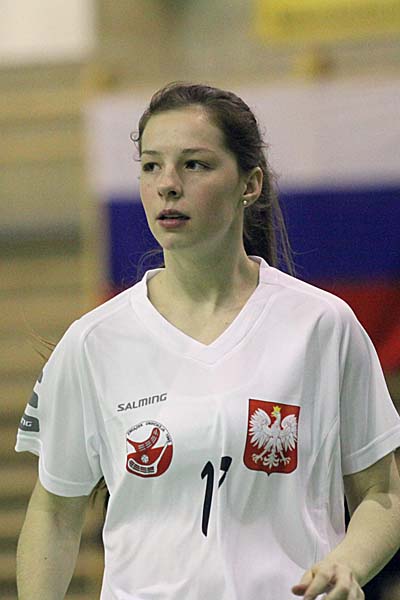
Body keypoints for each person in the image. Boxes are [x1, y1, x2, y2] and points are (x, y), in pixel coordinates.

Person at [16, 82, 400, 600]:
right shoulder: (93, 342)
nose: (168, 185)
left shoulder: (322, 326)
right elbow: (55, 512)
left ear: (250, 184)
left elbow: (382, 493)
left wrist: (347, 564)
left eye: (194, 164)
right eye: (151, 166)